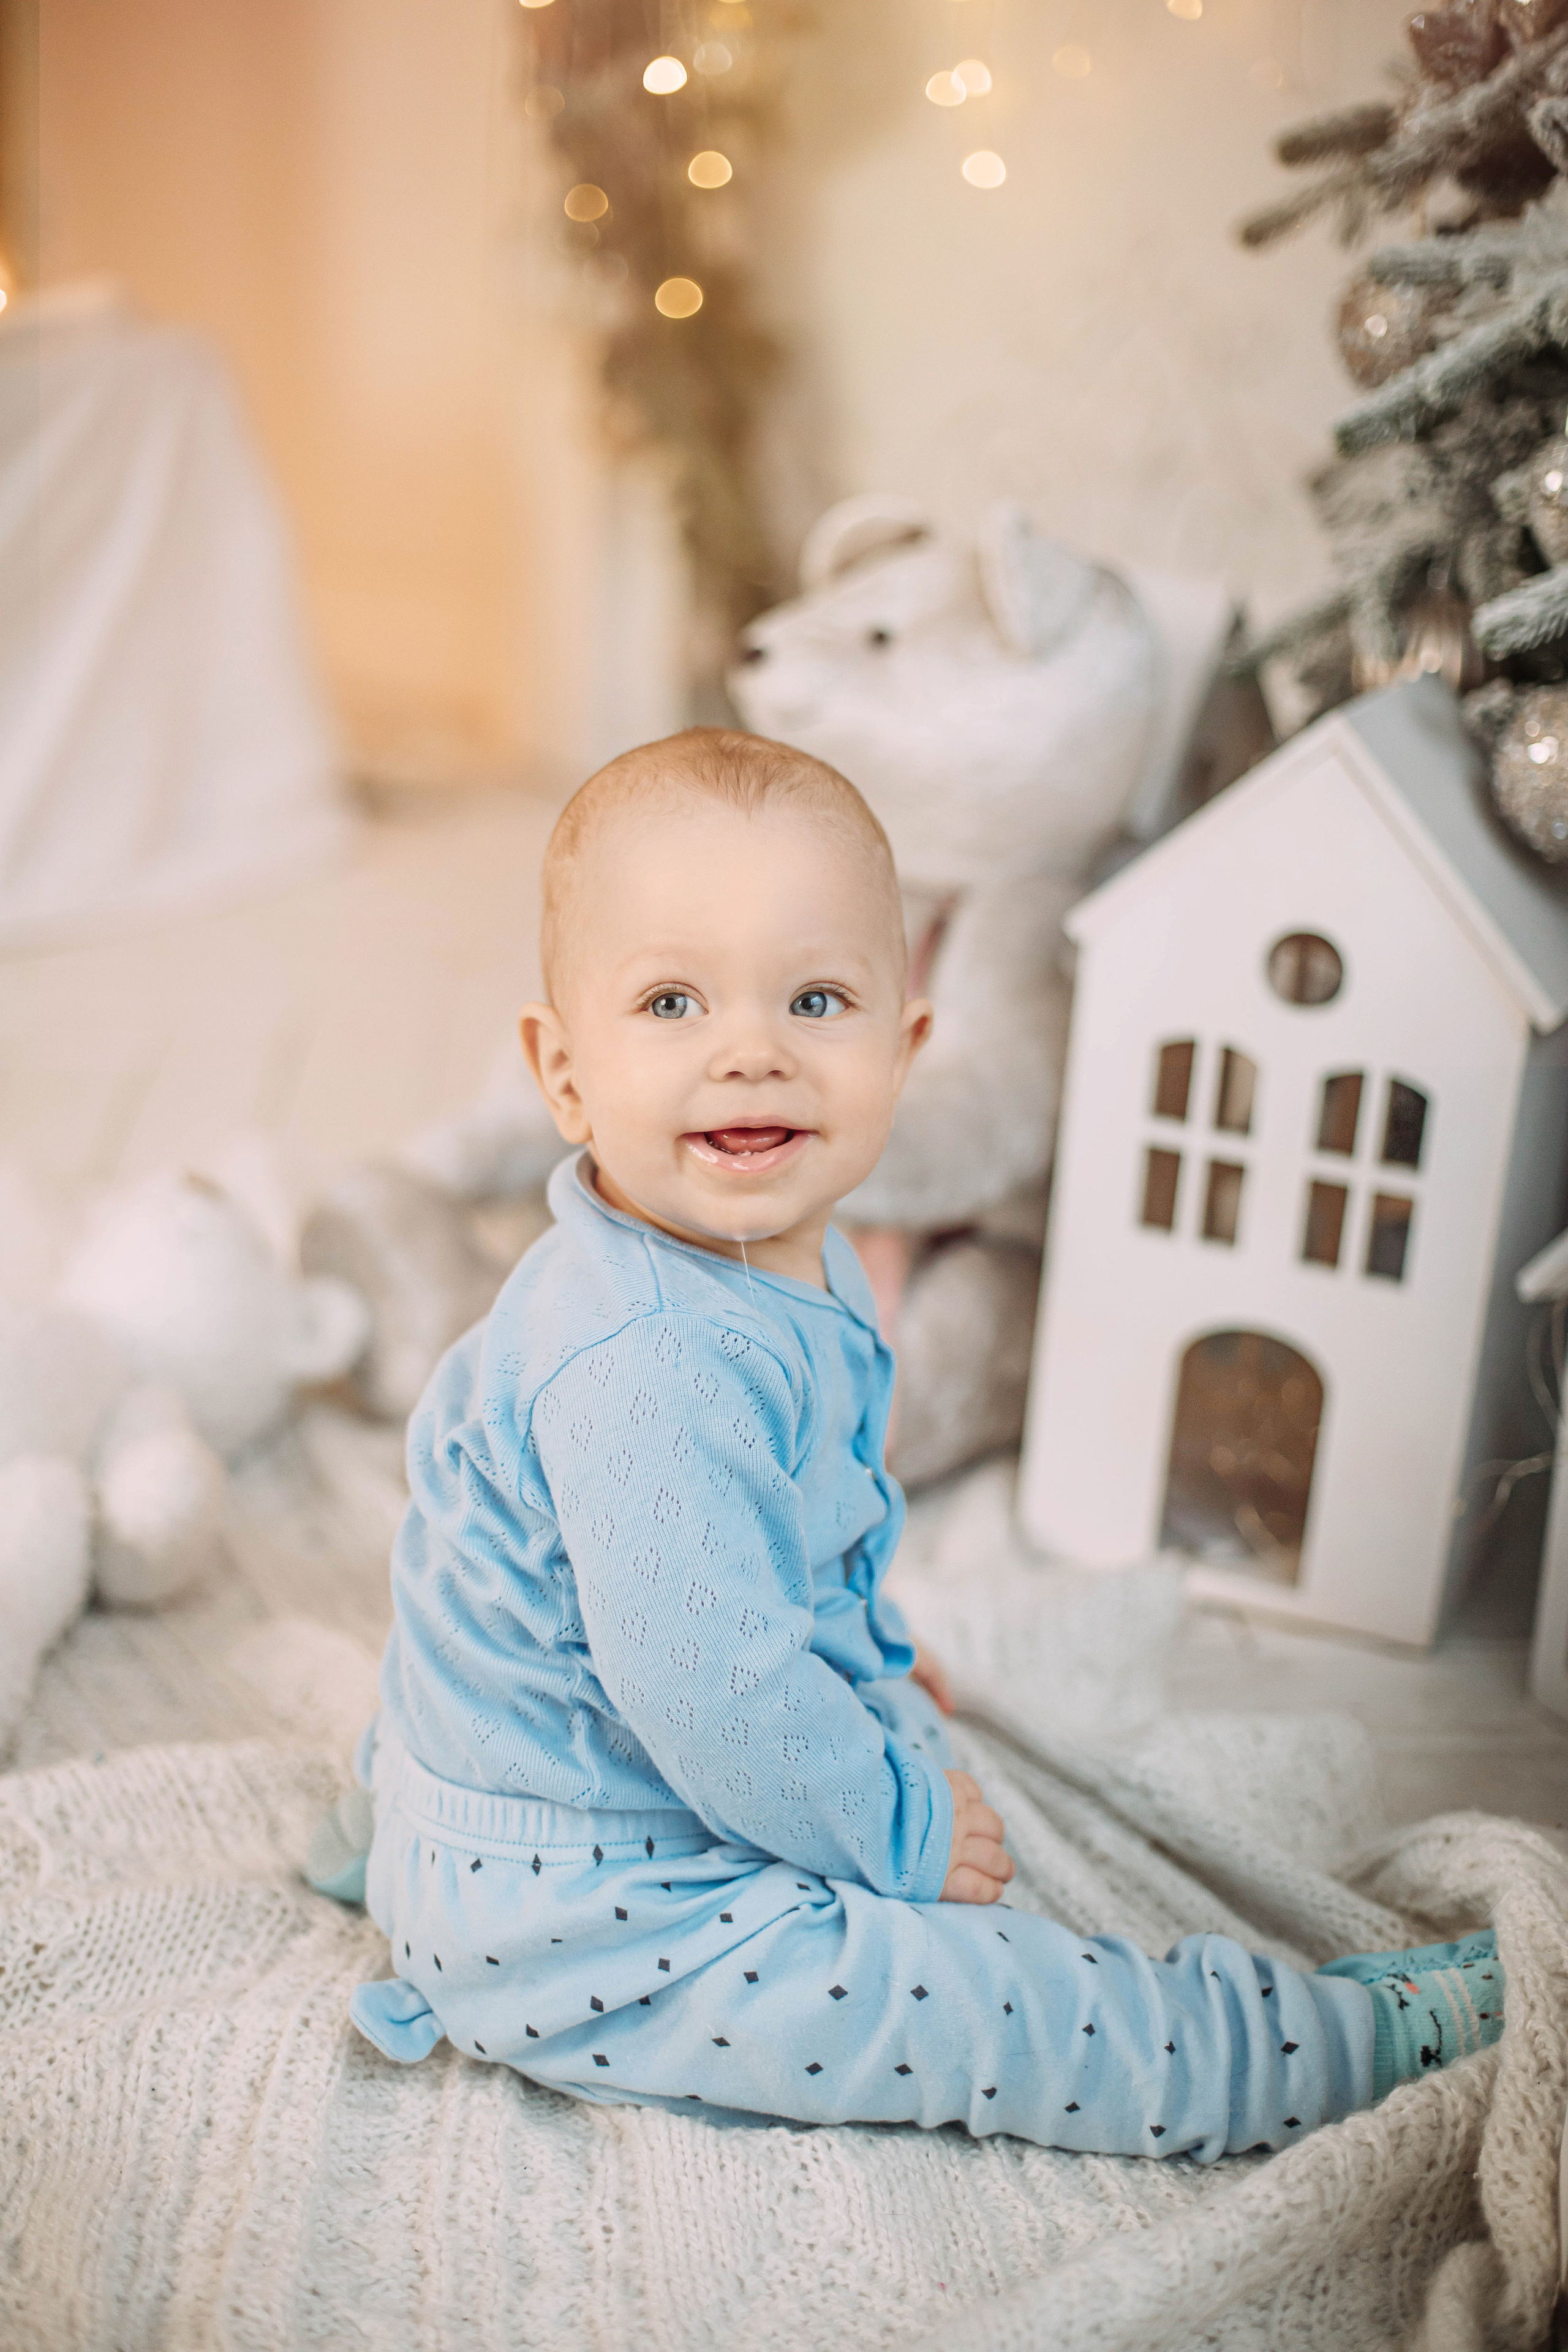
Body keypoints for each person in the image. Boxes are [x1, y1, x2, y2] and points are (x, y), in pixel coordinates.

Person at [328, 726, 1502, 2158]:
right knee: (961, 2000)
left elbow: (796, 1522)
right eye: (672, 1000)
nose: (748, 1048)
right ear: (563, 1074)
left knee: (897, 1742)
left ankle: (444, 1831)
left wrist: (854, 1635)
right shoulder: (636, 1358)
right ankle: (1308, 2049)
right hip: (573, 1904)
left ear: (907, 1050)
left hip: (624, 1768)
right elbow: (713, 1692)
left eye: (815, 997)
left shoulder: (782, 1263)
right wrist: (893, 1827)